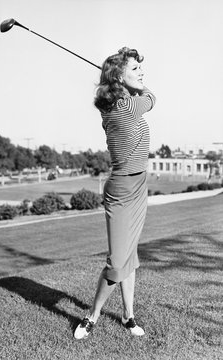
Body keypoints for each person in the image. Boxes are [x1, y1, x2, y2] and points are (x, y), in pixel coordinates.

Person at [74, 47, 156, 340]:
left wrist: (126, 82)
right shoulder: (124, 107)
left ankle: (128, 316)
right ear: (118, 76)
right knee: (117, 261)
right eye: (135, 69)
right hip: (122, 191)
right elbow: (152, 99)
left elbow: (140, 97)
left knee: (129, 257)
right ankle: (91, 316)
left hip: (138, 187)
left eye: (140, 68)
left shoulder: (121, 102)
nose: (142, 73)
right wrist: (138, 87)